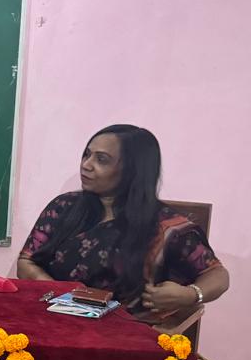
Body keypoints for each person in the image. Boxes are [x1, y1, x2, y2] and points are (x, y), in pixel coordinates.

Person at [17, 124, 228, 323]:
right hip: (54, 320)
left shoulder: (168, 228)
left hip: (126, 334)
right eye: (86, 155)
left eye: (101, 160)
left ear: (133, 170)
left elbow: (217, 275)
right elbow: (27, 263)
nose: (86, 165)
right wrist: (69, 301)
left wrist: (191, 294)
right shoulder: (64, 206)